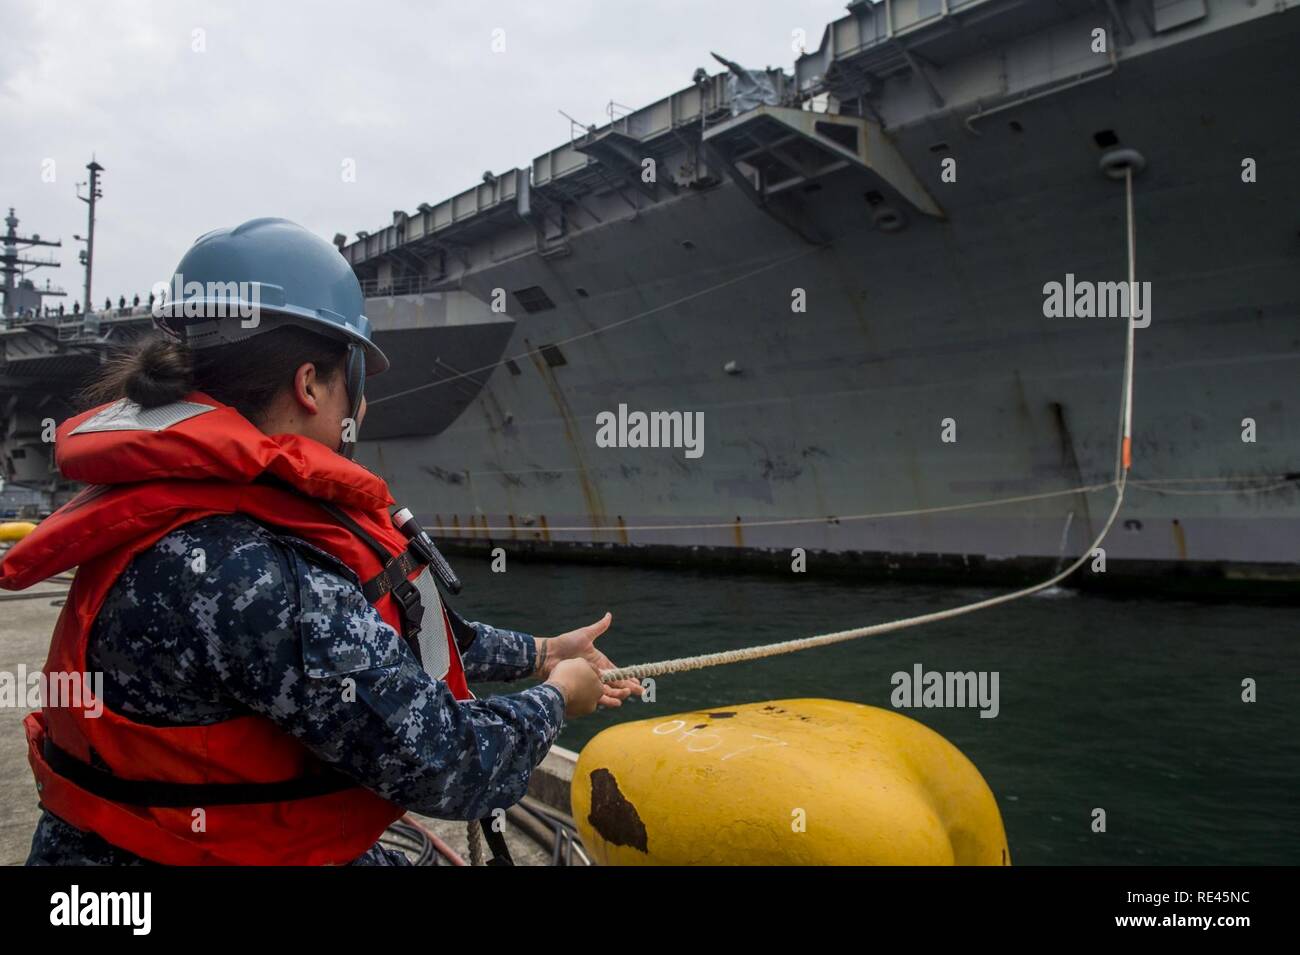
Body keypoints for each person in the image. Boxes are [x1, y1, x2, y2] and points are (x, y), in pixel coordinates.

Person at [0, 218, 638, 865]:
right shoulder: (253, 570)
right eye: (352, 378)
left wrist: (541, 651)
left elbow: (385, 641)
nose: (357, 407)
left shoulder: (174, 507)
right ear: (310, 384)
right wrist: (560, 695)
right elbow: (452, 765)